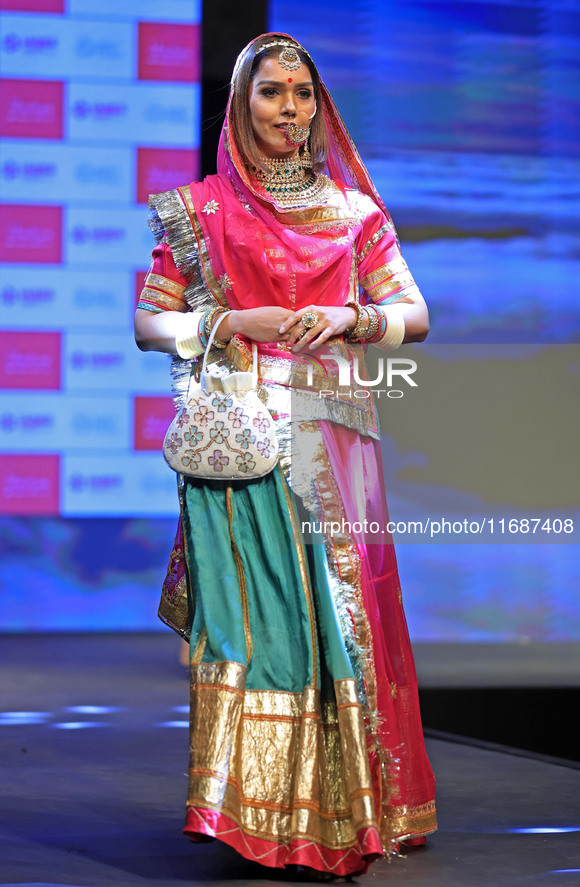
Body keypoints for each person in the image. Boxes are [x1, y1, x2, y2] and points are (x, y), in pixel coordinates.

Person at [134, 33, 436, 878]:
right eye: (272, 93)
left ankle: (342, 811)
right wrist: (233, 324)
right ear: (242, 104)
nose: (290, 110)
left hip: (331, 437)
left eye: (303, 94)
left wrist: (350, 319)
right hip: (234, 444)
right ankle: (247, 813)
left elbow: (412, 313)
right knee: (255, 625)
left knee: (339, 623)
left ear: (319, 107)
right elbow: (147, 322)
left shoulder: (352, 215)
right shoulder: (198, 214)